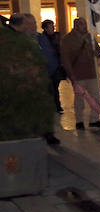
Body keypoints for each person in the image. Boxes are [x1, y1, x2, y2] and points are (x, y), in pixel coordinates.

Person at [11, 14, 62, 143]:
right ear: (23, 26)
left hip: (45, 79)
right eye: (30, 23)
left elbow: (49, 55)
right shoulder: (16, 41)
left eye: (34, 23)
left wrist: (52, 71)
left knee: (46, 108)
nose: (34, 26)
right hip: (27, 82)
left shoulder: (41, 38)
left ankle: (48, 133)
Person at [59, 17, 100, 130]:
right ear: (75, 25)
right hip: (77, 74)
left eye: (85, 24)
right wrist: (71, 75)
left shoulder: (89, 37)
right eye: (82, 24)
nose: (84, 26)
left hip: (92, 72)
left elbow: (99, 52)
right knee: (79, 99)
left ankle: (94, 119)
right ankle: (79, 120)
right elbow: (65, 59)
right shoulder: (67, 39)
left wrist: (97, 52)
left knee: (96, 97)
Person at [40, 20, 64, 113]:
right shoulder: (42, 39)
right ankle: (53, 106)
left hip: (56, 67)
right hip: (47, 67)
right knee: (50, 88)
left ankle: (57, 106)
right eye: (51, 27)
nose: (53, 28)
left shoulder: (56, 37)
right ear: (45, 28)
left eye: (53, 26)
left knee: (55, 87)